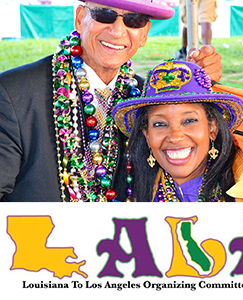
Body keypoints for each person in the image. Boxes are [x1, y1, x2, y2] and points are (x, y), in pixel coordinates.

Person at [0, 0, 222, 202]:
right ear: (79, 19)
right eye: (104, 14)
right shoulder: (15, 93)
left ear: (144, 34)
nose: (117, 31)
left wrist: (199, 87)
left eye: (133, 20)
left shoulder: (147, 99)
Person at [112, 60, 243, 202]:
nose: (175, 137)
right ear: (146, 134)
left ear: (212, 128)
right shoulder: (132, 191)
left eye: (189, 121)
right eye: (160, 124)